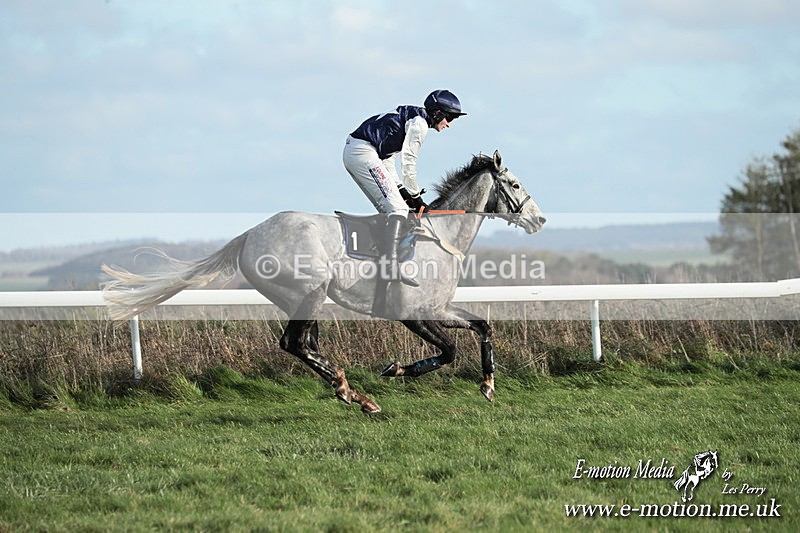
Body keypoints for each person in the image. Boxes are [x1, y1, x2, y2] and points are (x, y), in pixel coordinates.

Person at [343, 89, 466, 289]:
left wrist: (402, 189)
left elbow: (389, 158)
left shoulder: (413, 117)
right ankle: (389, 267)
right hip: (363, 152)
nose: (449, 124)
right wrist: (416, 196)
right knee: (398, 209)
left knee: (395, 208)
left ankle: (378, 259)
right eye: (449, 117)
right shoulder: (419, 125)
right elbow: (409, 164)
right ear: (437, 113)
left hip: (362, 152)